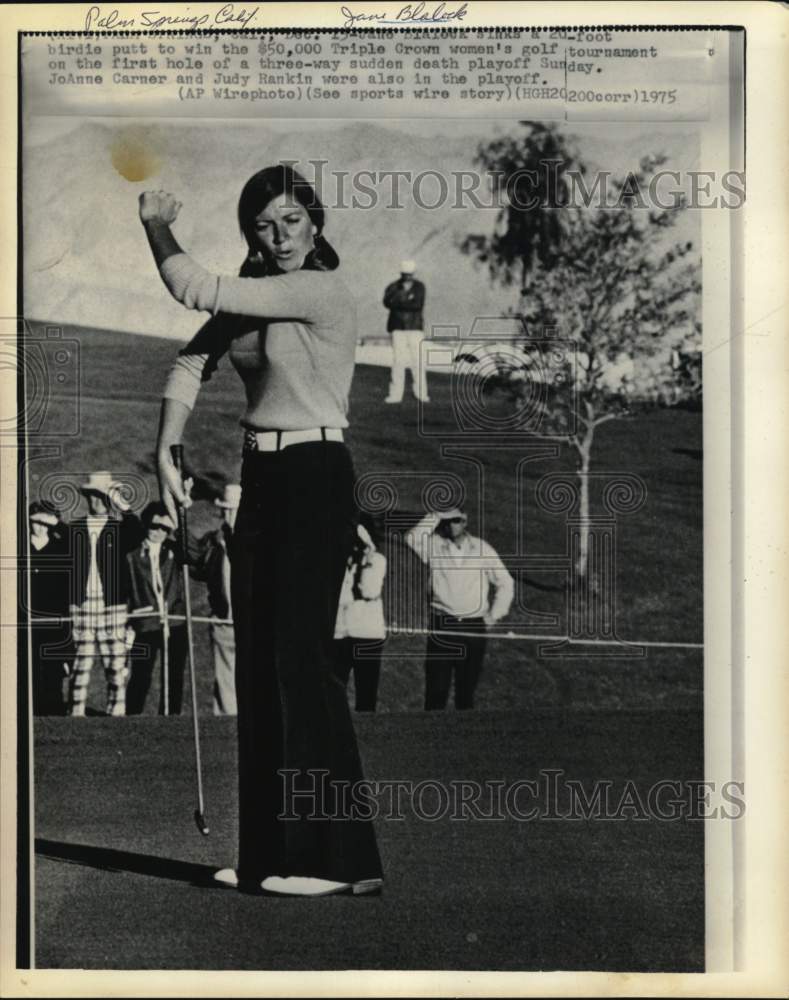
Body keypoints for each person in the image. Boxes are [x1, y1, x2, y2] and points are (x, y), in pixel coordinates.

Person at [139, 166, 383, 897]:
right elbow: (192, 359)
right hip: (262, 482)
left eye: (291, 221)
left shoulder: (314, 289)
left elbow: (193, 286)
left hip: (314, 474)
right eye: (263, 225)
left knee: (302, 662)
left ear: (316, 224)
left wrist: (156, 223)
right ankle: (269, 857)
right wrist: (164, 445)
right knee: (258, 665)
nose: (277, 237)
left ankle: (340, 864)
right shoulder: (254, 305)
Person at [406, 507, 514, 711]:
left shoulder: (482, 549)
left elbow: (505, 582)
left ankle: (463, 741)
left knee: (465, 695)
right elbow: (412, 538)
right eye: (447, 521)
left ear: (465, 522)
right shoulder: (434, 546)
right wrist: (436, 515)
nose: (451, 525)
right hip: (442, 626)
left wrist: (493, 616)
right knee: (435, 693)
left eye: (456, 520)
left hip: (473, 628)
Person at [66, 472, 144, 716]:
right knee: (82, 665)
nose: (97, 501)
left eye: (102, 497)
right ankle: (75, 716)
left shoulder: (119, 529)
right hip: (82, 606)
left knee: (116, 665)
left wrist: (122, 504)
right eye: (93, 496)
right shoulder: (74, 529)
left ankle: (116, 717)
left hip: (113, 606)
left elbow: (138, 532)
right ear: (87, 497)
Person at [125, 502, 188, 715]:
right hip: (145, 622)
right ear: (145, 525)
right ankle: (132, 717)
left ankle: (170, 720)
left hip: (175, 621)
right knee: (141, 674)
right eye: (154, 526)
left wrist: (180, 514)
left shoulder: (174, 552)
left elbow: (194, 550)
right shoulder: (132, 556)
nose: (159, 532)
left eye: (165, 529)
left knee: (174, 674)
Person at [192, 482, 241, 716]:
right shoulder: (214, 542)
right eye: (226, 510)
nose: (228, 515)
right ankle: (225, 726)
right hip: (223, 622)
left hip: (252, 623)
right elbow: (196, 566)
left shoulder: (258, 542)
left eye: (234, 510)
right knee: (225, 680)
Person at [333, 520, 387, 712]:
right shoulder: (336, 562)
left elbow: (369, 590)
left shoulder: (377, 561)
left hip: (367, 635)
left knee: (367, 692)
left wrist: (367, 555)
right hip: (340, 633)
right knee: (334, 691)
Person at [27, 501, 71, 715]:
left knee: (54, 673)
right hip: (27, 623)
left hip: (55, 623)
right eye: (36, 521)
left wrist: (57, 523)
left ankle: (54, 714)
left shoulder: (61, 547)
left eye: (45, 522)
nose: (40, 526)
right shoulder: (20, 546)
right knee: (30, 671)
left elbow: (78, 542)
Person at [383, 260, 429, 404]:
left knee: (418, 362)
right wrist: (406, 297)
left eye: (409, 275)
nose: (407, 277)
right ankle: (395, 395)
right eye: (405, 274)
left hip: (415, 329)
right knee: (398, 362)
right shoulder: (393, 286)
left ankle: (421, 394)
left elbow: (417, 304)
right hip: (398, 328)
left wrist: (398, 301)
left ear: (413, 274)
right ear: (401, 274)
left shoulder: (419, 287)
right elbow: (386, 302)